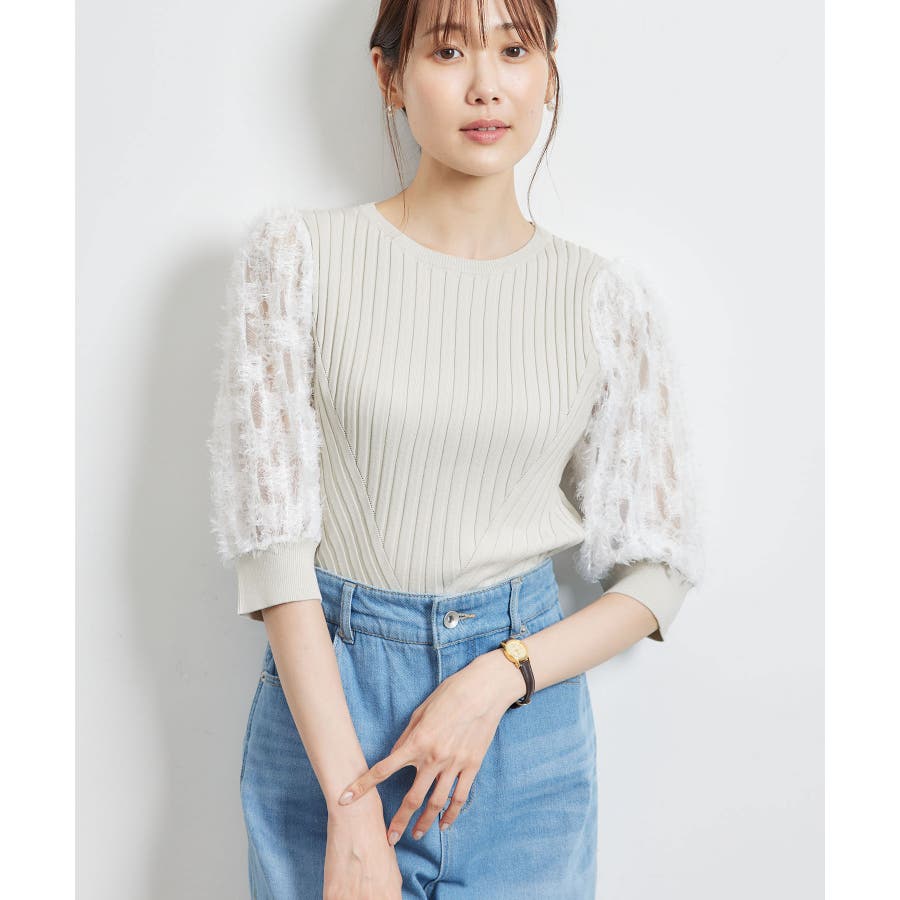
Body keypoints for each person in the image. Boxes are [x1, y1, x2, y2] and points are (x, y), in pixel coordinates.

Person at [207, 0, 704, 897]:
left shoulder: (606, 302)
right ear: (389, 75)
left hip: (523, 737)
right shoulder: (296, 261)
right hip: (333, 711)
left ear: (548, 73)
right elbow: (273, 551)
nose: (486, 85)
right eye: (447, 51)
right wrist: (351, 808)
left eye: (515, 50)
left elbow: (659, 572)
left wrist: (501, 679)